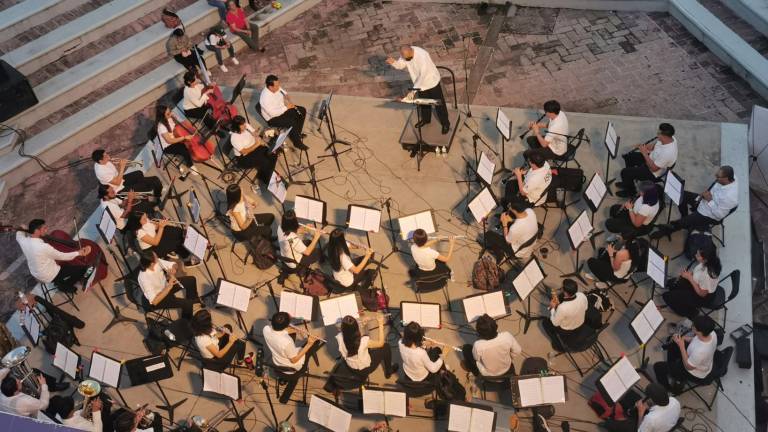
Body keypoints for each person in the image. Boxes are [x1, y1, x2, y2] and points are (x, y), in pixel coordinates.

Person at [653, 165, 738, 237]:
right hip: (704, 201)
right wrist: (705, 195)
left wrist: (710, 200)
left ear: (726, 179)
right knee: (682, 195)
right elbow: (713, 189)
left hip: (708, 214)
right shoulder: (730, 177)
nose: (716, 177)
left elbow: (719, 215)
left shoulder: (730, 198)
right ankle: (685, 217)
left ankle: (667, 230)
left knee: (680, 223)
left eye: (718, 177)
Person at [387, 45, 451, 134]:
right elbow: (401, 65)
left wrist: (413, 91)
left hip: (431, 82)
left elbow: (422, 76)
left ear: (411, 51)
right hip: (419, 84)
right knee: (423, 102)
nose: (405, 59)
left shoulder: (422, 56)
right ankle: (426, 120)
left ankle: (445, 123)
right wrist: (394, 63)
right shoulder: (405, 53)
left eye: (407, 57)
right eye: (404, 57)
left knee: (438, 104)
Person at [263, 312, 324, 403]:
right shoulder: (286, 342)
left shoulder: (266, 329)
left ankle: (284, 397)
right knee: (315, 342)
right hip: (292, 367)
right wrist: (309, 343)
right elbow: (294, 360)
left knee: (294, 338)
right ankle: (287, 392)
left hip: (277, 363)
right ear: (285, 325)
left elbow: (278, 332)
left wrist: (295, 330)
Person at [16, 219, 91, 293]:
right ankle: (65, 285)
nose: (46, 230)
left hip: (35, 274)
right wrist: (79, 253)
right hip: (50, 275)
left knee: (60, 265)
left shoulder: (23, 241)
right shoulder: (43, 247)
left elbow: (18, 234)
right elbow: (63, 256)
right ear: (36, 231)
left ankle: (60, 282)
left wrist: (22, 228)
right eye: (44, 228)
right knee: (83, 269)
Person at [654, 315, 718, 393]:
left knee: (658, 367)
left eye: (693, 326)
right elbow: (696, 339)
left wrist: (681, 346)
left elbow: (688, 367)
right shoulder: (711, 333)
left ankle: (668, 388)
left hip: (693, 372)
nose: (692, 326)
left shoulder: (700, 352)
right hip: (695, 358)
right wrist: (683, 338)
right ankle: (674, 372)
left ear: (700, 332)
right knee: (674, 344)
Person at [616, 123, 678, 198]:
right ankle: (628, 181)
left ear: (664, 136)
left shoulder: (668, 153)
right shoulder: (670, 138)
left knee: (624, 172)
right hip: (652, 158)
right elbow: (655, 146)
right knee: (629, 157)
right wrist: (644, 147)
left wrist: (644, 153)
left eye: (659, 133)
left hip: (652, 172)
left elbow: (654, 169)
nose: (657, 134)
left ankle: (630, 191)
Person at [662, 247, 721, 319]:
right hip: (696, 284)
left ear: (705, 259)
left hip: (701, 297)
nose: (696, 255)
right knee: (670, 284)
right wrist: (690, 274)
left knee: (666, 296)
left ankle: (690, 312)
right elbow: (698, 274)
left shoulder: (708, 275)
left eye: (698, 255)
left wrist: (689, 277)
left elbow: (702, 294)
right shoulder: (708, 262)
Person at [137, 253, 200, 319]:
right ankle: (187, 321)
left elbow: (174, 264)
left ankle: (193, 299)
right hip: (160, 298)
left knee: (191, 280)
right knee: (187, 304)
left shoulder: (156, 262)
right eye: (156, 257)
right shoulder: (144, 278)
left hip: (166, 285)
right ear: (152, 264)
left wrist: (173, 269)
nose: (158, 258)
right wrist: (169, 287)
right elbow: (154, 301)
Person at [602, 383, 681, 432]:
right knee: (634, 396)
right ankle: (626, 408)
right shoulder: (674, 401)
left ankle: (608, 423)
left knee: (610, 424)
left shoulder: (651, 419)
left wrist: (641, 413)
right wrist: (646, 407)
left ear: (653, 401)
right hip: (661, 424)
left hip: (646, 427)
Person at [258, 74, 308, 150]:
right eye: (277, 86)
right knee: (291, 122)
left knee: (302, 110)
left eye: (278, 85)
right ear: (270, 87)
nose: (279, 87)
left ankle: (297, 134)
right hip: (273, 118)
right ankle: (297, 143)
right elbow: (273, 113)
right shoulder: (265, 98)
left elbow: (282, 91)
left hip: (282, 109)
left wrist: (286, 95)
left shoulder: (275, 87)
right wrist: (287, 107)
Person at [126, 212, 196, 265]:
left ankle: (186, 250)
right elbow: (155, 242)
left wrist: (162, 223)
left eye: (146, 217)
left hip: (155, 236)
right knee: (174, 242)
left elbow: (154, 227)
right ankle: (187, 259)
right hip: (153, 249)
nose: (146, 219)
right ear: (138, 223)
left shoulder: (145, 221)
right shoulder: (139, 232)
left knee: (175, 231)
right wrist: (161, 227)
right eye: (144, 219)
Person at [92, 149, 163, 198]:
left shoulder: (103, 162)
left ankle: (143, 186)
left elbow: (115, 172)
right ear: (100, 161)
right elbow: (117, 183)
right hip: (118, 188)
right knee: (155, 180)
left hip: (119, 179)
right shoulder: (101, 172)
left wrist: (119, 165)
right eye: (105, 156)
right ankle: (156, 195)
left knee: (139, 173)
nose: (108, 156)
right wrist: (122, 167)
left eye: (106, 154)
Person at [542, 279, 589, 350]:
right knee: (561, 300)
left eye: (562, 288)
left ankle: (557, 343)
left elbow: (555, 323)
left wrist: (552, 308)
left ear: (566, 293)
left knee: (545, 323)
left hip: (566, 330)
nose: (560, 289)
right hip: (580, 324)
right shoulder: (582, 295)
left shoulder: (562, 308)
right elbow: (586, 308)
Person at [229, 115, 277, 184]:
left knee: (273, 154)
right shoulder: (234, 138)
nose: (245, 125)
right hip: (244, 157)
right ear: (237, 126)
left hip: (254, 147)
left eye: (244, 123)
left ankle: (268, 173)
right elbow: (244, 151)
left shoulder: (245, 125)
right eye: (242, 125)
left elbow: (255, 134)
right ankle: (266, 180)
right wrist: (257, 144)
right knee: (265, 161)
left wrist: (260, 137)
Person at [225, 184, 274, 251]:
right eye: (240, 190)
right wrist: (249, 218)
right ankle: (263, 244)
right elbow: (243, 227)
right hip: (241, 231)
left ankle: (263, 237)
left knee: (271, 217)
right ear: (237, 195)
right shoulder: (234, 209)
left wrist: (254, 203)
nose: (242, 189)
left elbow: (251, 201)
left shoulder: (241, 196)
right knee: (268, 230)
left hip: (248, 219)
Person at [154, 104, 198, 177]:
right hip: (167, 146)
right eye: (168, 113)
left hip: (175, 136)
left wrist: (175, 117)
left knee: (189, 139)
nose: (170, 113)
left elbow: (180, 124)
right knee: (183, 148)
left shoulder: (169, 117)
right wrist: (184, 137)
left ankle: (194, 154)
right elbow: (169, 141)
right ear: (162, 116)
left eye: (170, 111)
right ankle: (190, 165)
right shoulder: (161, 126)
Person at [398, 322, 445, 387]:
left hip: (408, 372)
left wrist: (424, 344)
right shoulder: (421, 353)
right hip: (421, 376)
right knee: (437, 351)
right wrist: (443, 356)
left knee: (435, 351)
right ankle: (443, 372)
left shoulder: (400, 342)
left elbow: (411, 347)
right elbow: (433, 369)